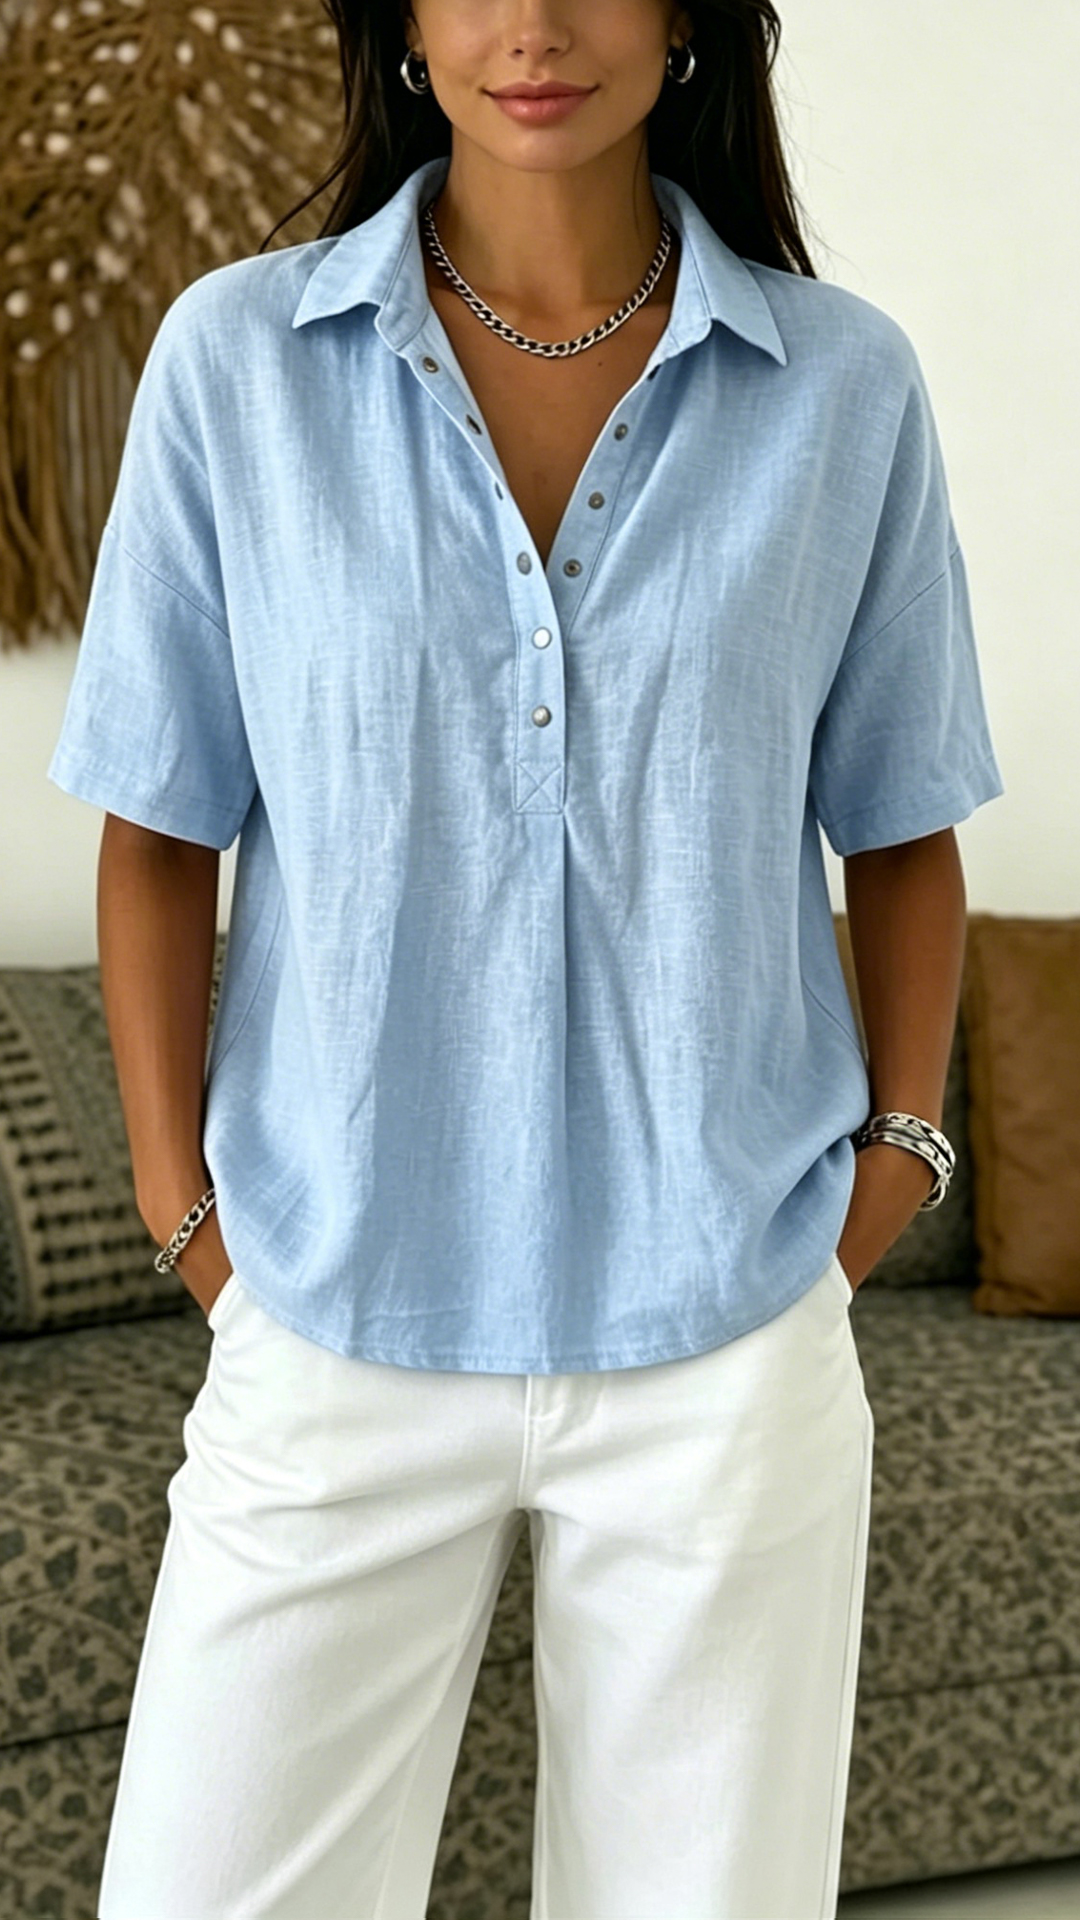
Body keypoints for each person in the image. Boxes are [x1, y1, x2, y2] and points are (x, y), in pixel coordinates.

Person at [47, 3, 1005, 1916]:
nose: (537, 28)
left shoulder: (842, 388)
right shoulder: (241, 361)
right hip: (331, 1307)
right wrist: (186, 1218)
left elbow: (902, 830)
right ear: (402, 24)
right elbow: (157, 827)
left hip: (728, 1334)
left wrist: (890, 1172)